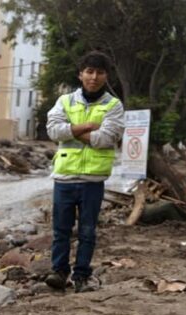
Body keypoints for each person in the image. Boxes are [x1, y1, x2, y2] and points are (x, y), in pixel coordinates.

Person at [44, 50, 126, 293]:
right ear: (81, 74)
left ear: (106, 76)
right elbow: (53, 131)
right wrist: (87, 126)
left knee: (88, 231)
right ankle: (59, 271)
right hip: (65, 176)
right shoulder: (65, 101)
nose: (94, 77)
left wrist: (71, 129)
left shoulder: (114, 105)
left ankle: (81, 275)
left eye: (99, 72)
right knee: (60, 230)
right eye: (89, 71)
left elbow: (106, 138)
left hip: (93, 179)